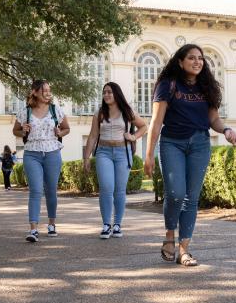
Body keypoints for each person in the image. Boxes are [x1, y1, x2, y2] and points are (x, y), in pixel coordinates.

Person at [144, 44, 236, 266]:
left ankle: (184, 250)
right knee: (176, 194)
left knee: (191, 198)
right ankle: (169, 234)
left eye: (200, 58)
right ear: (180, 61)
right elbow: (156, 122)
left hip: (199, 144)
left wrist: (225, 130)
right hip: (172, 143)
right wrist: (149, 155)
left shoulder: (207, 88)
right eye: (191, 58)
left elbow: (213, 119)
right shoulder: (167, 85)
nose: (197, 62)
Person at [83, 82, 148, 239]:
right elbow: (92, 135)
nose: (106, 95)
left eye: (109, 92)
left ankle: (117, 224)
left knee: (119, 190)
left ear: (116, 94)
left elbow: (144, 127)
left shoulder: (127, 112)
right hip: (103, 152)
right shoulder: (100, 113)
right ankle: (106, 224)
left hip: (122, 153)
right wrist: (86, 156)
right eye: (104, 92)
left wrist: (133, 136)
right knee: (106, 187)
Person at [12, 79, 70, 243]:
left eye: (48, 90)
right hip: (32, 153)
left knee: (51, 190)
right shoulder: (25, 112)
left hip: (52, 152)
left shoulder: (55, 109)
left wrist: (60, 131)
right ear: (35, 92)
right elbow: (15, 130)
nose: (47, 93)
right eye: (44, 90)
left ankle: (51, 224)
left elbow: (67, 128)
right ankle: (33, 229)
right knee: (36, 190)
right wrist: (22, 130)